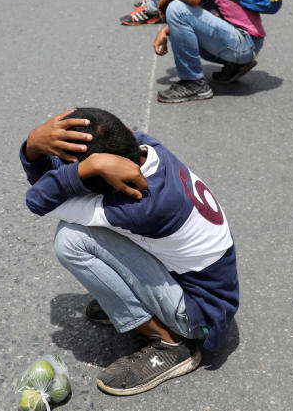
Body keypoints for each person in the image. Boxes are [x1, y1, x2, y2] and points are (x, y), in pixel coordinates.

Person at [20, 107, 238, 395]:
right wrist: (37, 144)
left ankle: (170, 343)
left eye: (78, 169)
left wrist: (43, 153)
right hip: (208, 290)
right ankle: (135, 303)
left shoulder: (137, 205)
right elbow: (58, 181)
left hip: (199, 315)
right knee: (89, 225)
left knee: (71, 240)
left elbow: (38, 198)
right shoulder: (147, 147)